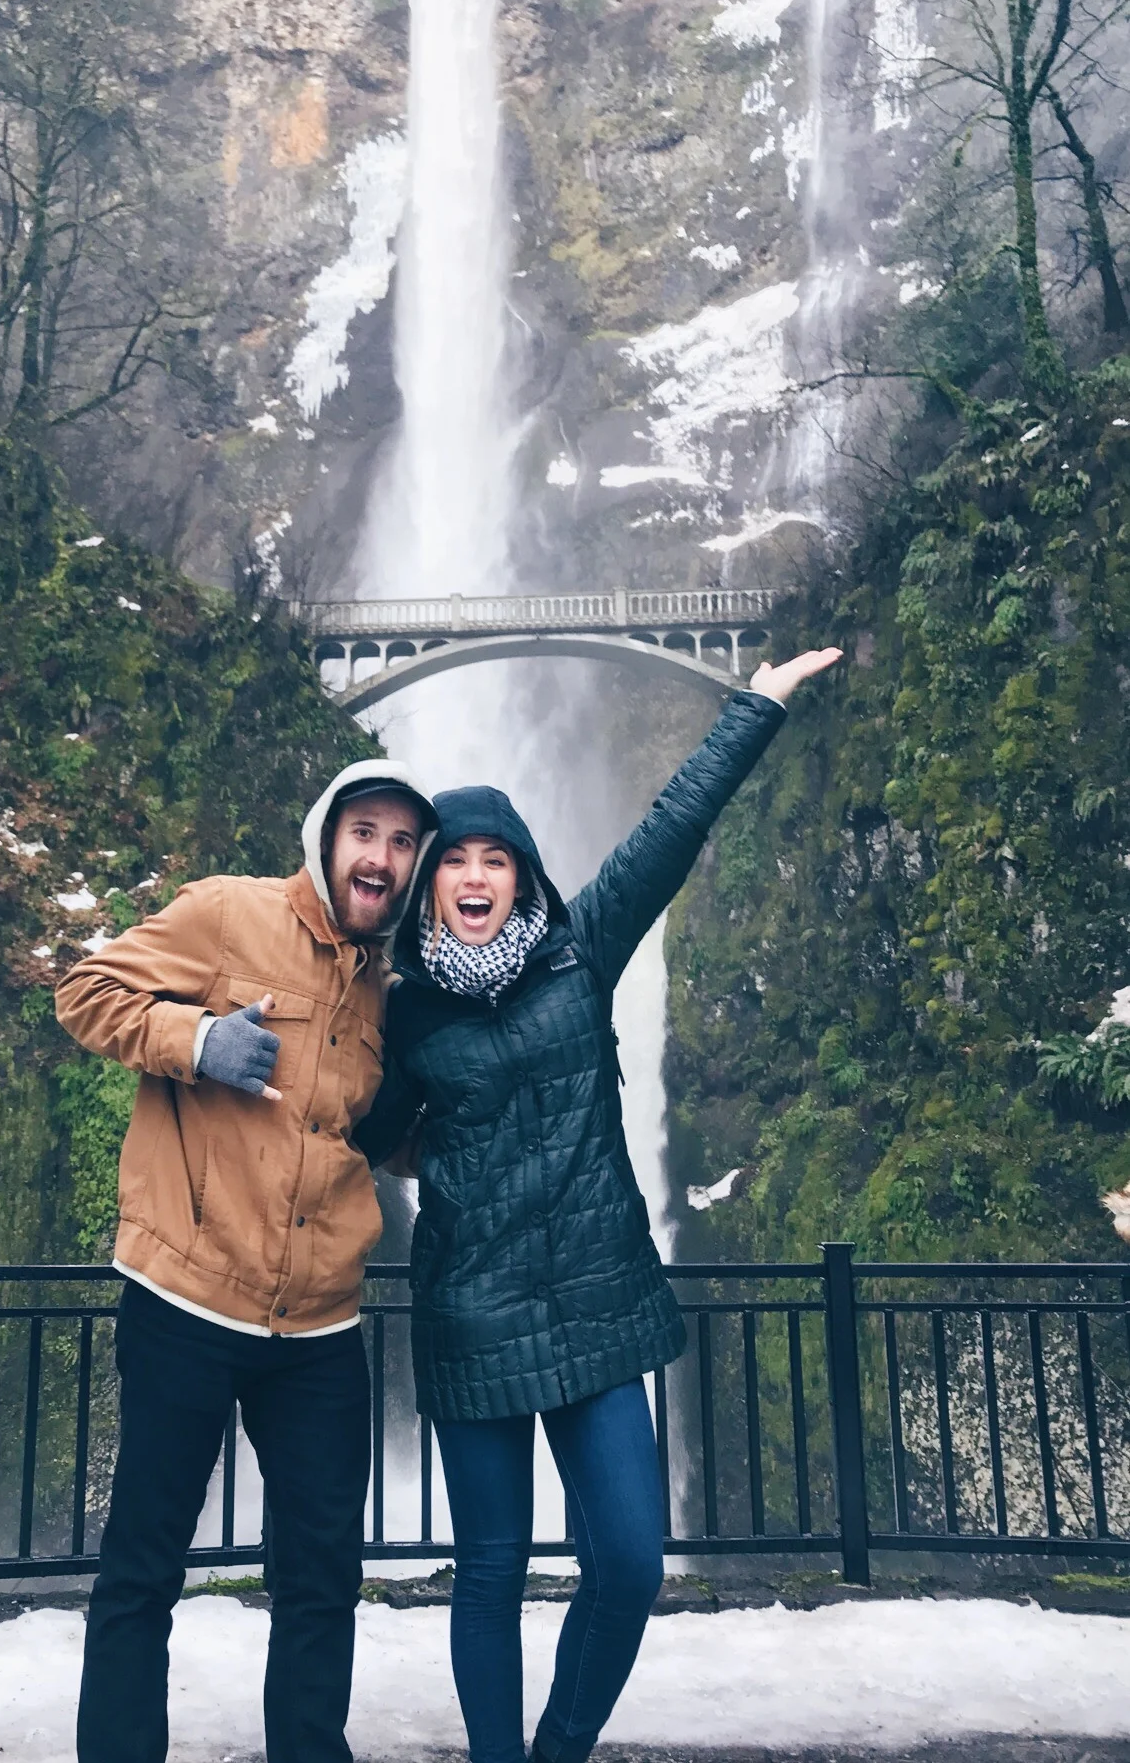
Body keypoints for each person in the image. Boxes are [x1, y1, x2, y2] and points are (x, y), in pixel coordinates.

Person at [354, 650, 841, 1763]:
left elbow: (669, 830)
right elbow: (359, 1124)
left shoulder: (579, 955)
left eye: (496, 858)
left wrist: (755, 701)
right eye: (453, 860)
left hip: (595, 1304)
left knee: (625, 1556)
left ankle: (559, 1743)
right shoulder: (405, 1013)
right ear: (429, 881)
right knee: (489, 1570)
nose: (474, 875)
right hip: (472, 1316)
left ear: (521, 876)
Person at [54, 759, 437, 1763]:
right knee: (143, 1565)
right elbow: (83, 991)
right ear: (326, 837)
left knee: (320, 1572)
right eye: (366, 831)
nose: (381, 857)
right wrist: (192, 1037)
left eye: (402, 842)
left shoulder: (384, 994)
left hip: (317, 1323)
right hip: (187, 1294)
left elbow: (374, 1134)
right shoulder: (228, 913)